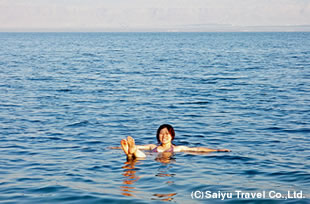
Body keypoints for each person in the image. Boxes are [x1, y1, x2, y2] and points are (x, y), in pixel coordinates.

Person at [121, 124, 230, 159]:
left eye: (167, 134)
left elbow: (197, 149)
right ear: (158, 135)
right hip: (152, 156)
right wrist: (114, 148)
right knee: (139, 154)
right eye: (161, 133)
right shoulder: (152, 146)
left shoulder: (177, 148)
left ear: (172, 136)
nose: (164, 136)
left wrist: (217, 150)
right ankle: (130, 150)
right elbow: (142, 146)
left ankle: (131, 151)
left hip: (146, 158)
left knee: (140, 156)